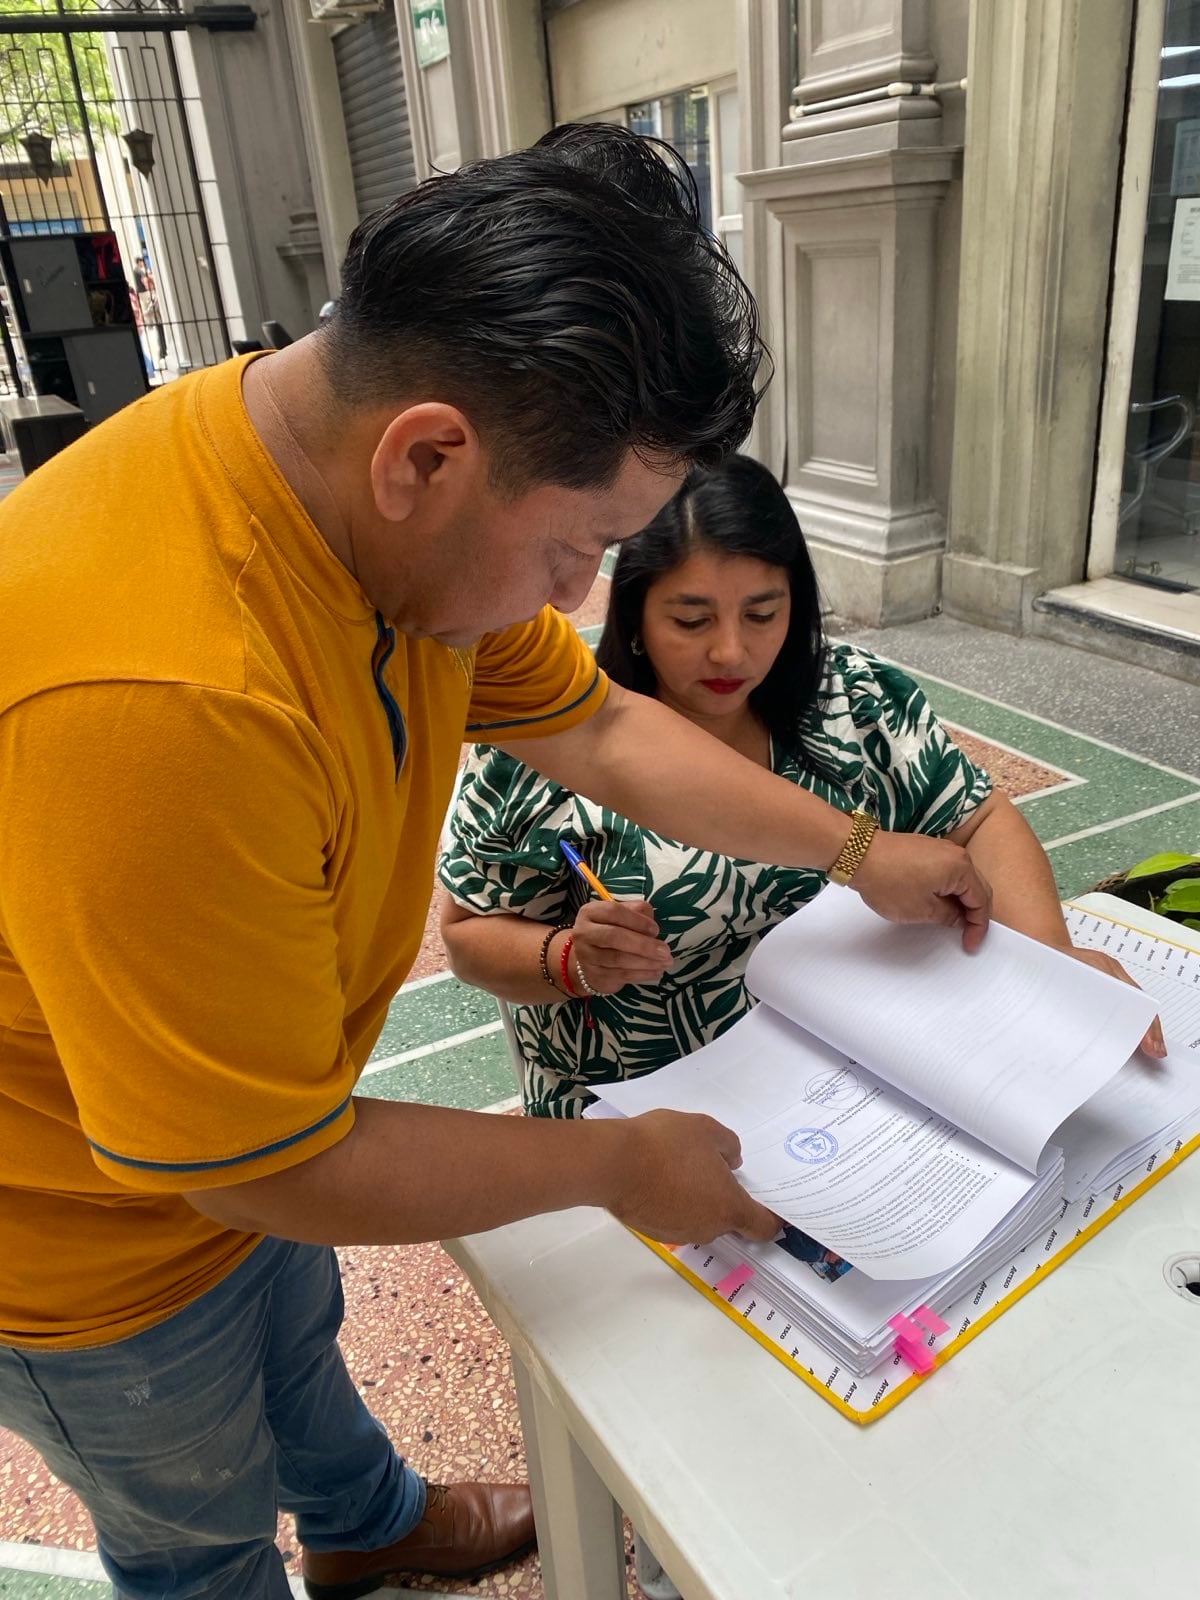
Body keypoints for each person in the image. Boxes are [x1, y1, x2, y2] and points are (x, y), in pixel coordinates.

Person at [0, 127, 995, 1600]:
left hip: (254, 1116)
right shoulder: (164, 702)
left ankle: (369, 1525)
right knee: (192, 1529)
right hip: (88, 1243)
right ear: (428, 456)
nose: (581, 593)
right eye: (579, 547)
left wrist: (861, 851)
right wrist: (618, 1163)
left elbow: (598, 728)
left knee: (301, 1354)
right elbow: (261, 1165)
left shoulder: (344, 490)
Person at [439, 455, 1166, 1119]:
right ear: (634, 617)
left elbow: (977, 817)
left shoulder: (852, 699)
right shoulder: (543, 742)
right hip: (646, 1107)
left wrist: (1049, 961)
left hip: (862, 1073)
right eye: (691, 619)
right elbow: (469, 936)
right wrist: (570, 959)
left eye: (762, 614)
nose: (731, 651)